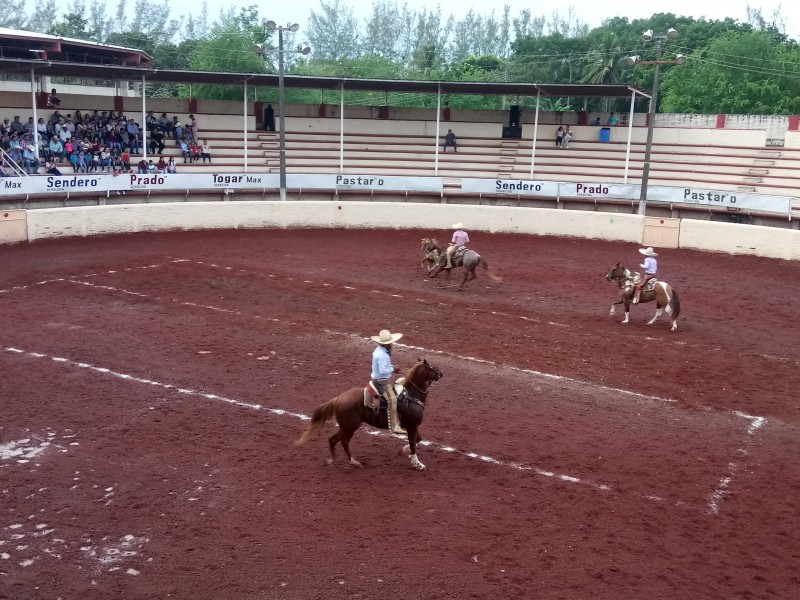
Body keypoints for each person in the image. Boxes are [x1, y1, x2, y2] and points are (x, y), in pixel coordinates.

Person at [370, 329, 406, 434]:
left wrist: (392, 367)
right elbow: (382, 371)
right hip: (381, 381)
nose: (392, 344)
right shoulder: (382, 355)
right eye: (390, 342)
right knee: (393, 399)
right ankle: (394, 426)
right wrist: (393, 369)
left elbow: (385, 367)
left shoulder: (380, 351)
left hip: (381, 378)